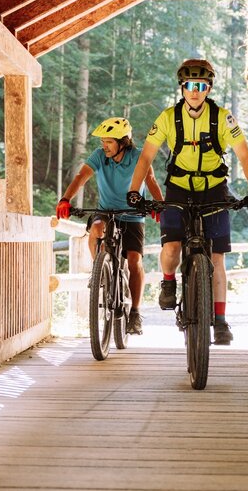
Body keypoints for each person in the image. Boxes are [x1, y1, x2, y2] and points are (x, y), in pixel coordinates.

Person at [125, 59, 248, 346]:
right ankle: (168, 281)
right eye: (189, 85)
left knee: (217, 258)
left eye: (201, 86)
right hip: (178, 187)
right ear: (182, 87)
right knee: (172, 246)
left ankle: (221, 321)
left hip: (214, 188)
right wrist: (134, 191)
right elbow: (146, 157)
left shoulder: (223, 118)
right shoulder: (167, 117)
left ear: (209, 88)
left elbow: (245, 156)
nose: (195, 91)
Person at [56, 117, 164, 336]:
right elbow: (81, 177)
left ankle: (134, 312)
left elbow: (151, 180)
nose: (104, 145)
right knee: (96, 229)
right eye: (103, 141)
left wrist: (158, 205)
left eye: (109, 142)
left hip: (133, 215)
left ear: (123, 142)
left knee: (134, 261)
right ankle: (100, 271)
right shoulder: (99, 156)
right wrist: (65, 199)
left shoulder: (138, 156)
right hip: (106, 211)